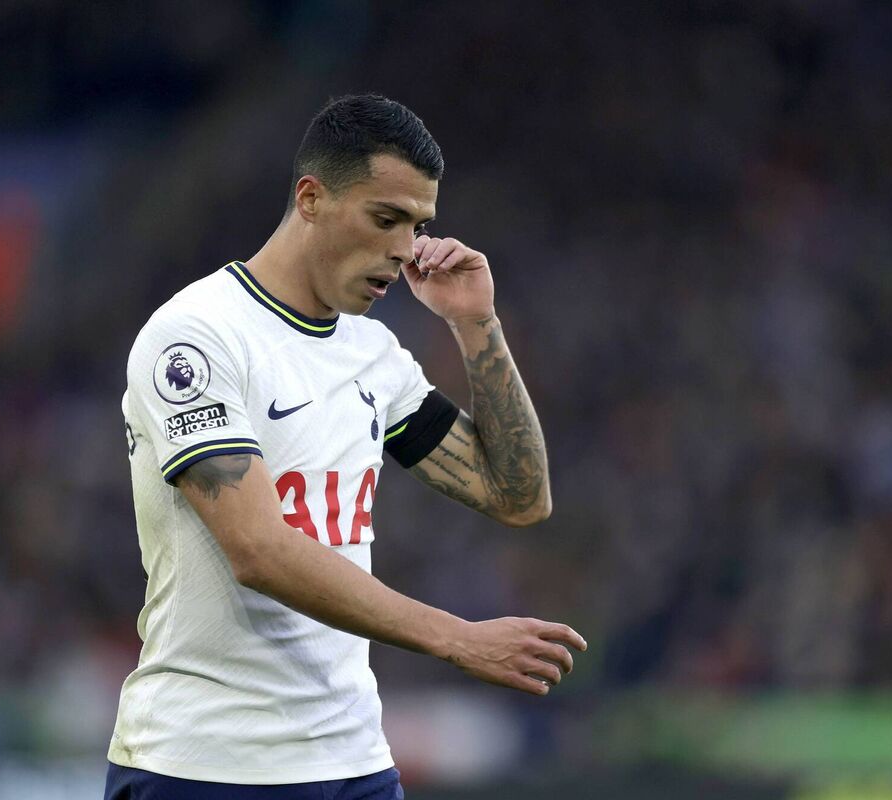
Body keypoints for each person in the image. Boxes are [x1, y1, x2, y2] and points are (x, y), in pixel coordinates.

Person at [104, 94, 587, 799]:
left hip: (353, 762)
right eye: (384, 218)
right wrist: (457, 637)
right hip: (206, 764)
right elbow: (258, 550)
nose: (402, 248)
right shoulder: (197, 338)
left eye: (417, 224)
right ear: (311, 198)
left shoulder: (372, 355)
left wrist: (477, 324)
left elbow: (519, 498)